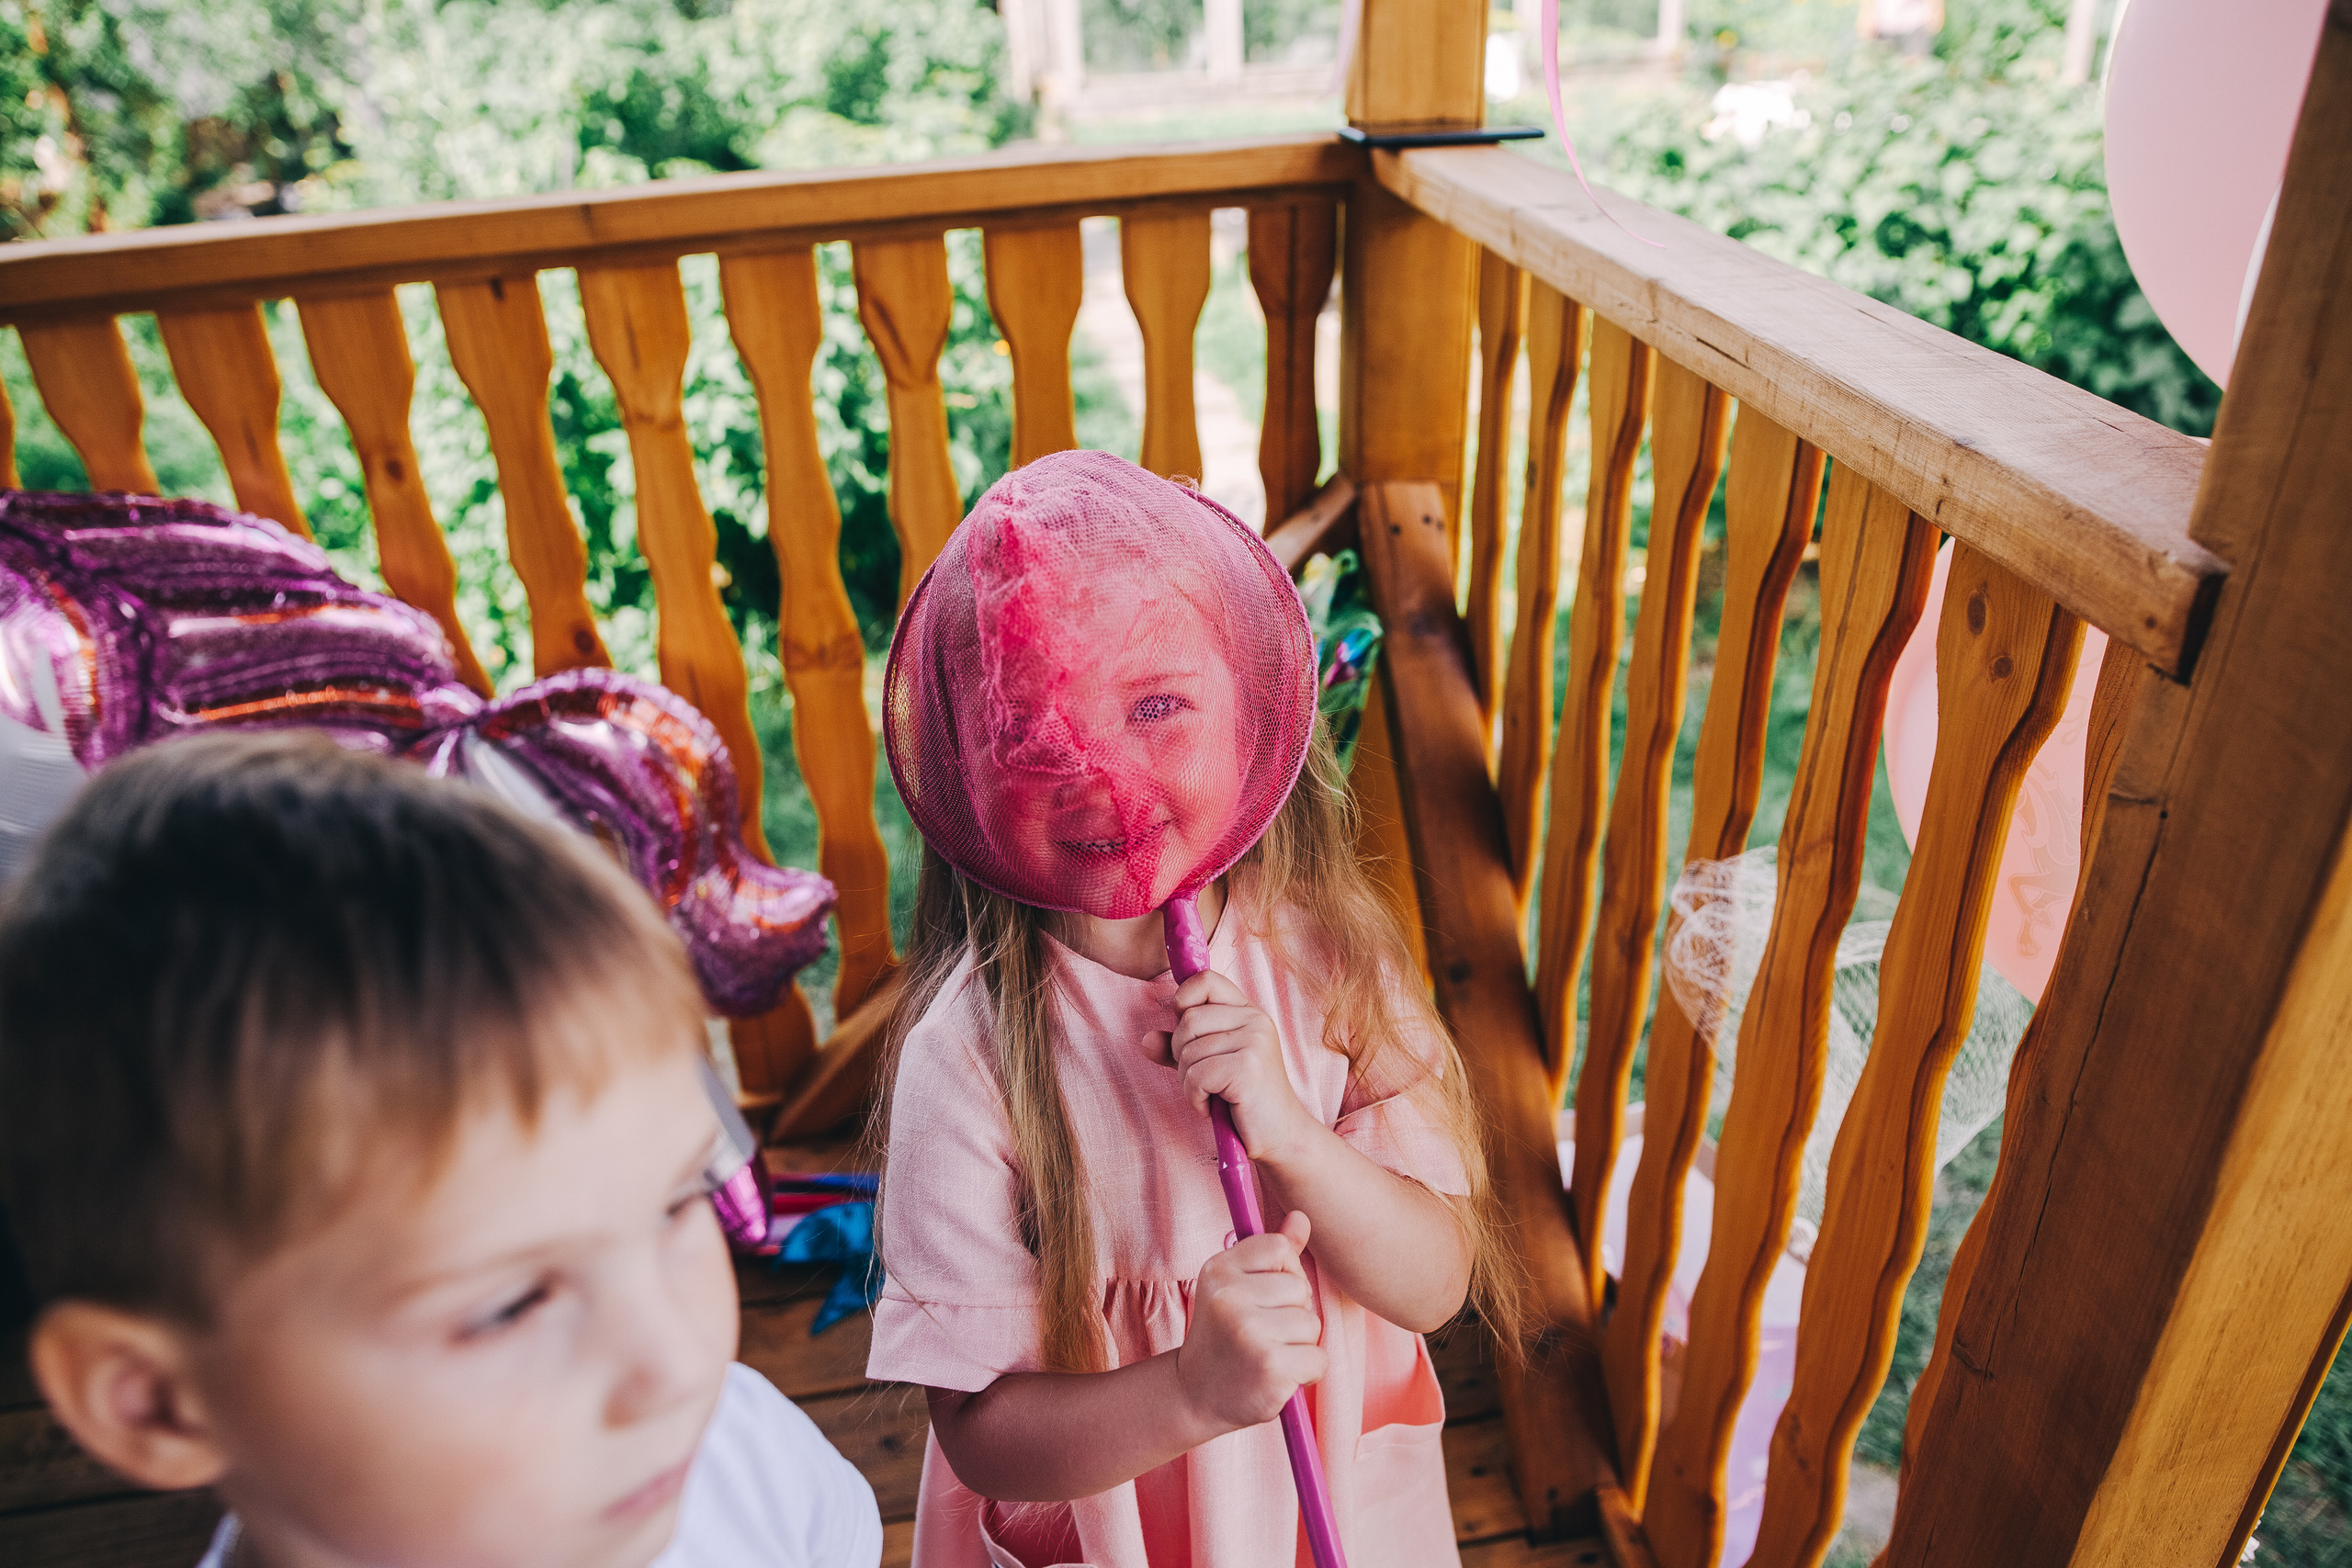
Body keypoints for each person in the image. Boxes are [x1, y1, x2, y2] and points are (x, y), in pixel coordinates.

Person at [0, 732, 883, 1568]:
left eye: (678, 1201)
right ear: (155, 1401)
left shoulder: (742, 1457)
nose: (681, 1365)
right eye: (510, 1303)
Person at [866, 453, 1520, 1567]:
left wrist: (1295, 1142)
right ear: (969, 767)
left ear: (1249, 705)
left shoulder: (1337, 964)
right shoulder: (965, 1059)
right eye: (1033, 732)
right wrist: (1191, 1392)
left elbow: (1434, 1284)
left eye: (1156, 706)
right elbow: (980, 1437)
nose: (1101, 776)